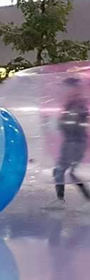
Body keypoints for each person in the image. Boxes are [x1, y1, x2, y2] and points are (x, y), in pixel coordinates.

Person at [48, 77, 90, 209]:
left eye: (68, 88)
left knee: (67, 172)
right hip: (70, 142)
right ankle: (60, 200)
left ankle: (86, 200)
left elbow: (76, 124)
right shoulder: (71, 104)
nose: (65, 91)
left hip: (76, 142)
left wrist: (63, 123)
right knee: (60, 171)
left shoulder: (79, 104)